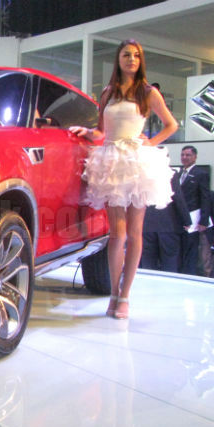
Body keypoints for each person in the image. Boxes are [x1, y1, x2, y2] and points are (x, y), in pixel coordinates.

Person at [70, 39, 178, 320]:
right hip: (111, 161)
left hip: (136, 161)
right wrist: (87, 132)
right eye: (127, 55)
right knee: (116, 234)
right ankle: (114, 293)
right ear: (118, 59)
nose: (132, 59)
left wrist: (150, 142)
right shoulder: (108, 92)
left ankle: (125, 296)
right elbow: (102, 131)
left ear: (141, 61)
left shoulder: (148, 92)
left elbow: (171, 125)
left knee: (134, 232)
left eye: (136, 55)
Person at [141, 173, 191, 272]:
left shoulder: (142, 173)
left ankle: (149, 281)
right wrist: (187, 220)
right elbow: (178, 197)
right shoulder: (170, 173)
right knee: (170, 260)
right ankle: (169, 281)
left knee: (148, 260)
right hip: (168, 223)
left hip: (146, 224)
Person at [178, 145, 211, 276]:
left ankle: (189, 274)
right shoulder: (178, 174)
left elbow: (205, 198)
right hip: (179, 218)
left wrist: (204, 220)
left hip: (193, 218)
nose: (184, 157)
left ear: (195, 157)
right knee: (180, 248)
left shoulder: (201, 174)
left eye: (188, 155)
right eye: (183, 155)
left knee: (191, 249)